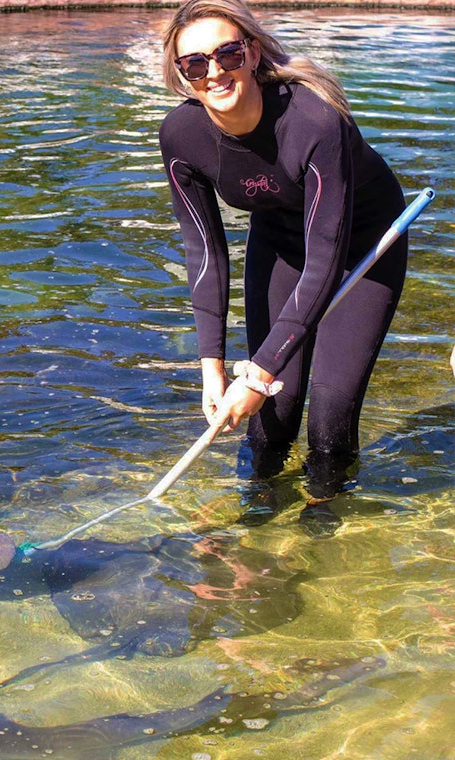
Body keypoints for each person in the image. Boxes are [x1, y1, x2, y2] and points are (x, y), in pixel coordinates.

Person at [158, 0, 407, 529]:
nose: (215, 71)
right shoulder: (181, 136)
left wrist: (260, 370)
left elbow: (326, 257)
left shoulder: (314, 119)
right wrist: (213, 367)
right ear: (182, 74)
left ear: (250, 52)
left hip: (362, 242)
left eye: (227, 53)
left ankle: (323, 518)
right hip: (280, 235)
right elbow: (204, 250)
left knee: (329, 414)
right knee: (272, 415)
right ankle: (257, 513)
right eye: (195, 63)